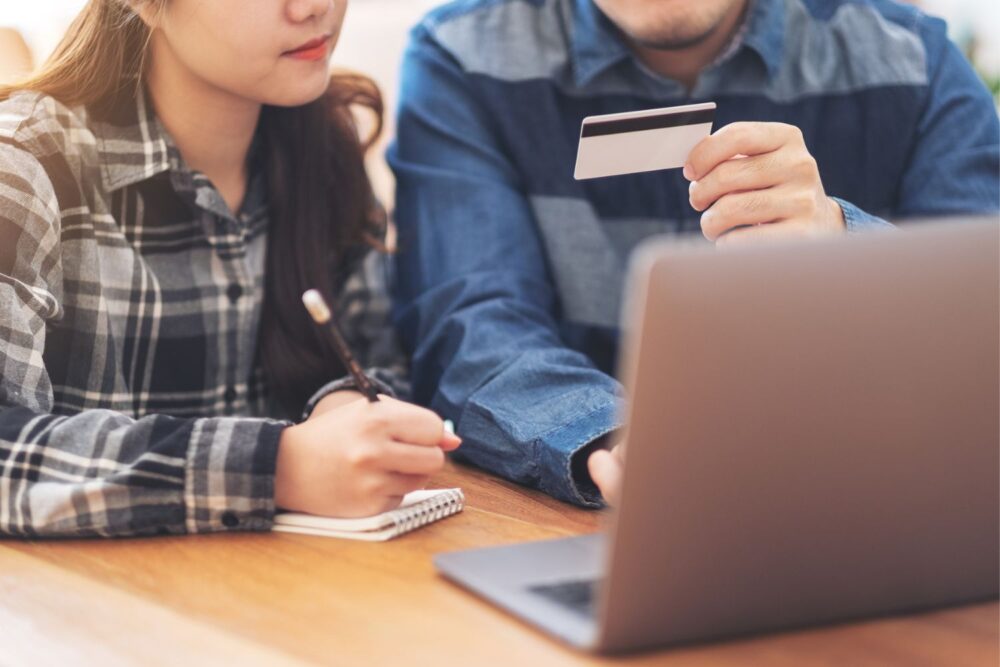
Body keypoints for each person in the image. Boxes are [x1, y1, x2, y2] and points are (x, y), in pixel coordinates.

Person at [388, 0, 1000, 507]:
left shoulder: (913, 59)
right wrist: (615, 440)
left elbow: (983, 331)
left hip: (866, 515)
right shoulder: (465, 55)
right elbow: (471, 327)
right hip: (583, 527)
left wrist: (845, 246)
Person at [0, 0, 461, 538]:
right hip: (88, 611)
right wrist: (277, 467)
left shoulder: (327, 149)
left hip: (286, 600)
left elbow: (375, 359)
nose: (316, 8)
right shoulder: (25, 166)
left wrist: (345, 405)